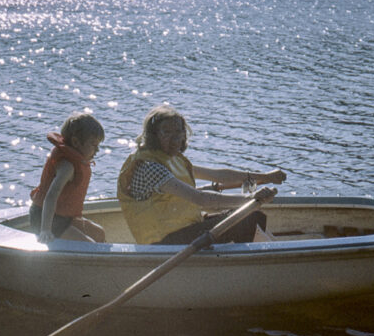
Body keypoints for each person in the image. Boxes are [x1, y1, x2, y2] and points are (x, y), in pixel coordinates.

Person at [117, 105, 287, 245]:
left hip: (182, 232)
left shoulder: (174, 160)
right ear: (154, 136)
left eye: (178, 132)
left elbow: (219, 175)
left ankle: (259, 254)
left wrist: (266, 176)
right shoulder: (150, 167)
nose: (175, 138)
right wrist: (252, 199)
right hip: (163, 244)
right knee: (248, 218)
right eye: (166, 132)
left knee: (249, 215)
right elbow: (201, 199)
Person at [30, 112, 106, 243]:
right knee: (89, 245)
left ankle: (102, 260)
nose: (97, 150)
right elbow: (51, 196)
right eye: (93, 145)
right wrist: (45, 230)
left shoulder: (77, 162)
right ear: (76, 142)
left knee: (99, 233)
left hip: (62, 217)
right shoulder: (67, 167)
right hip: (46, 218)